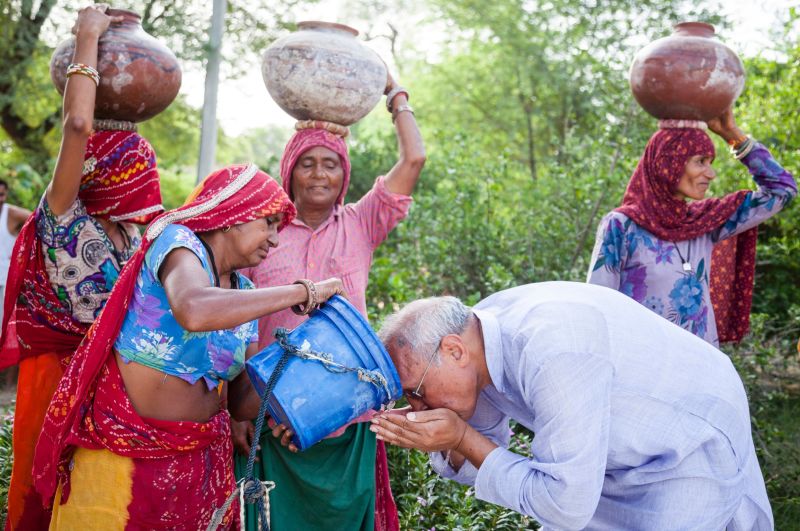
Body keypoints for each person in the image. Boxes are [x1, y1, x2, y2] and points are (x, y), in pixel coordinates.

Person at [32, 161, 345, 529]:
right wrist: (301, 291)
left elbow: (242, 401)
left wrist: (301, 381)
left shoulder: (243, 295)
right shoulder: (178, 244)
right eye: (269, 223)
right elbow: (193, 309)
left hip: (197, 469)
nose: (275, 239)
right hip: (126, 458)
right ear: (234, 214)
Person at [370, 282, 773, 530]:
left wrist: (461, 436)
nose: (417, 405)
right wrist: (448, 438)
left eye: (417, 390)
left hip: (689, 437)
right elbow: (483, 457)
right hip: (613, 453)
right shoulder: (478, 347)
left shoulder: (553, 350)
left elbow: (564, 506)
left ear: (453, 350)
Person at [233, 74, 425, 530]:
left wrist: (394, 94)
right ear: (289, 171)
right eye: (307, 164)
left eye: (331, 164)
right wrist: (234, 409)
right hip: (270, 414)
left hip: (347, 416)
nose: (319, 174)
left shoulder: (362, 223)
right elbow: (234, 325)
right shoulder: (259, 233)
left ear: (345, 174)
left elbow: (414, 157)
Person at [0, 7, 164, 530]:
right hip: (54, 380)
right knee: (40, 492)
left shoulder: (139, 236)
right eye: (136, 166)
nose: (147, 178)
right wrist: (89, 36)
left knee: (96, 504)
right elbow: (78, 124)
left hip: (111, 385)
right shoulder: (61, 217)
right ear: (112, 173)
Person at [586, 111, 796, 346]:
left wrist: (732, 134)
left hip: (701, 369)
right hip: (643, 369)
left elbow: (781, 191)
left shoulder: (705, 222)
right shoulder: (622, 226)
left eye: (711, 163)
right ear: (669, 161)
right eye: (700, 162)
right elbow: (599, 306)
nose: (711, 173)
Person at [0, 179, 31, 326]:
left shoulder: (12, 213)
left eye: (1, 195)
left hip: (5, 279)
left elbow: (38, 221)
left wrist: (23, 250)